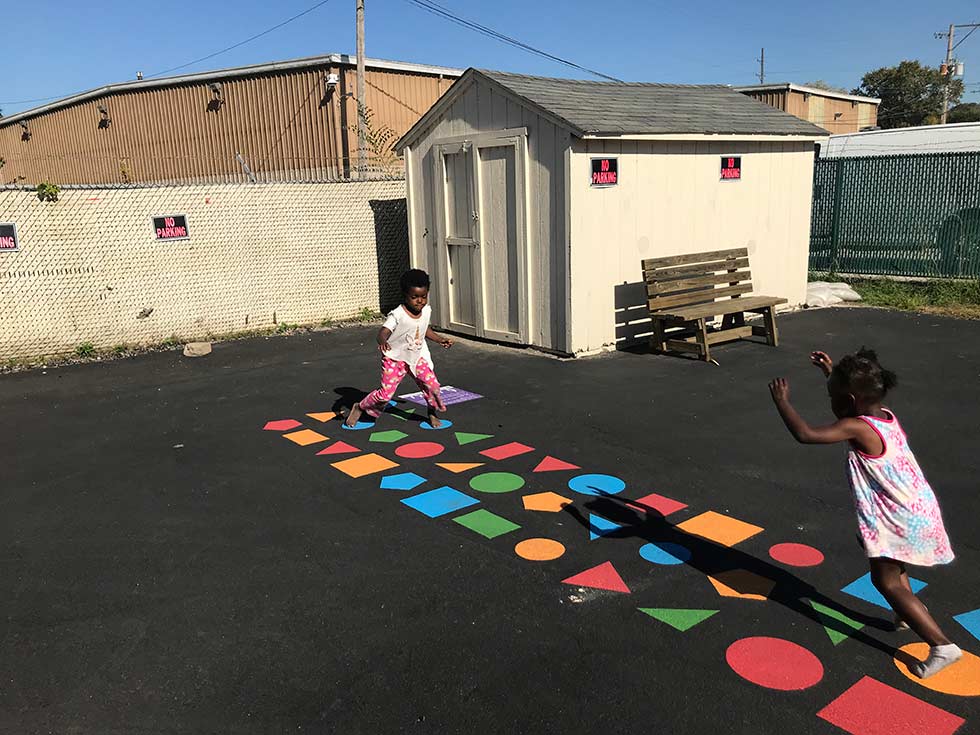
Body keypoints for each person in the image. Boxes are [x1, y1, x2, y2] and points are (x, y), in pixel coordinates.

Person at [769, 348, 960, 679]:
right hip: (914, 506)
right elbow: (854, 398)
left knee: (884, 580)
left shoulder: (857, 427)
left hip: (896, 514)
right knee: (892, 566)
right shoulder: (883, 415)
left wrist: (782, 402)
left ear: (851, 400)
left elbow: (806, 435)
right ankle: (907, 613)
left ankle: (942, 647)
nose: (831, 404)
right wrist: (831, 373)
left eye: (833, 397)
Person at [346, 269, 453, 429]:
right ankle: (360, 407)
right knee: (385, 395)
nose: (420, 301)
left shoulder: (426, 311)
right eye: (414, 297)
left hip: (416, 357)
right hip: (395, 359)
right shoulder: (397, 315)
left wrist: (440, 339)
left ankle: (432, 412)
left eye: (423, 296)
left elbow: (424, 329)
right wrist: (382, 340)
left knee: (432, 385)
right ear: (405, 295)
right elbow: (383, 332)